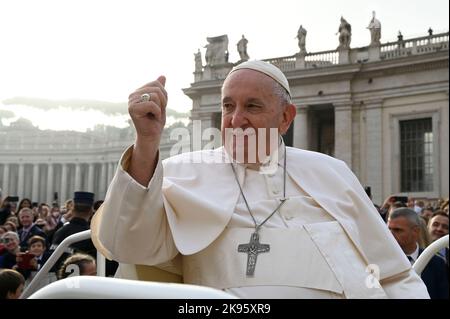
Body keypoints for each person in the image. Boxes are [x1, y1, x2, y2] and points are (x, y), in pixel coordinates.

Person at [91, 60, 429, 298]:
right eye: (227, 107)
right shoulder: (182, 171)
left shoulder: (331, 171)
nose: (236, 120)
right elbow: (125, 242)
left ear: (285, 117)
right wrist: (146, 143)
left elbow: (393, 274)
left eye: (252, 106)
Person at [387, 208, 448, 299]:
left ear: (415, 231)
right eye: (389, 229)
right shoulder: (380, 261)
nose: (390, 234)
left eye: (398, 230)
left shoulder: (436, 263)